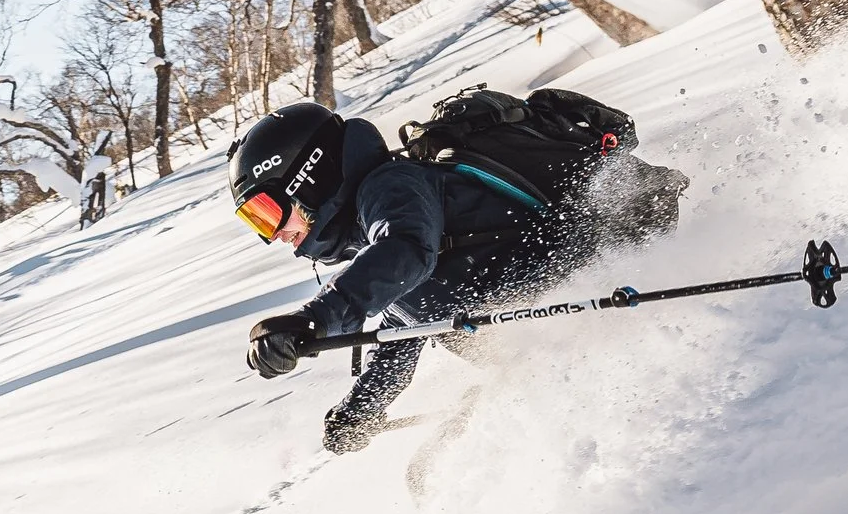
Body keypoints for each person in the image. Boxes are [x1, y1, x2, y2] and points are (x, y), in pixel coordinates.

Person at [229, 91, 681, 453]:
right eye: (256, 224)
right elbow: (404, 323)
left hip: (613, 252)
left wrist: (317, 318)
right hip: (569, 320)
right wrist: (361, 410)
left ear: (305, 175)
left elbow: (405, 253)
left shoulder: (392, 187)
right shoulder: (376, 229)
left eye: (266, 212)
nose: (274, 235)